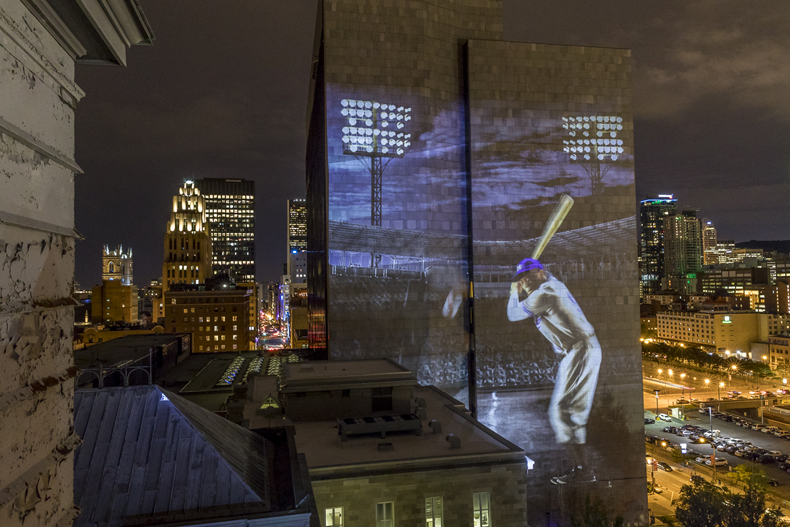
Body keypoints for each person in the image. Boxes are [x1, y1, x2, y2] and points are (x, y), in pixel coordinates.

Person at [506, 257, 602, 484]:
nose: (525, 280)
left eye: (529, 274)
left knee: (562, 411)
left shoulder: (546, 293)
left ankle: (583, 470)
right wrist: (529, 275)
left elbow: (513, 314)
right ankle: (582, 469)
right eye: (521, 277)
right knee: (565, 411)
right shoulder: (550, 285)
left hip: (581, 349)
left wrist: (513, 291)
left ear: (542, 272)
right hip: (575, 351)